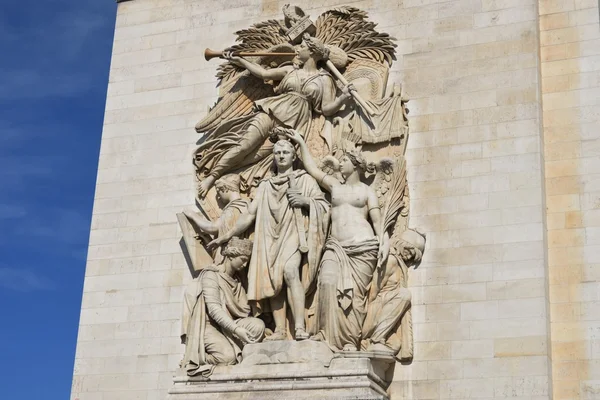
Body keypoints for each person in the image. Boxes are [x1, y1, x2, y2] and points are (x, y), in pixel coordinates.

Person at [195, 35, 354, 197]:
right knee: (244, 145)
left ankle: (229, 175)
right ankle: (212, 177)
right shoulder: (290, 70)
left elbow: (326, 108)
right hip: (272, 111)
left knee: (255, 156)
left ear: (312, 52)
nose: (297, 49)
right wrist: (240, 61)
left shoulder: (324, 79)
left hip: (292, 125)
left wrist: (343, 98)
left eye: (302, 47)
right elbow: (264, 74)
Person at [208, 139, 330, 341]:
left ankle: (299, 326)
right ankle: (281, 329)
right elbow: (249, 214)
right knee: (272, 281)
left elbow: (324, 206)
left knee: (290, 271)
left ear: (293, 156)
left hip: (293, 233)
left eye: (285, 152)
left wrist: (304, 201)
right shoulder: (265, 185)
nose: (281, 156)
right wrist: (226, 236)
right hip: (269, 236)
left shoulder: (304, 180)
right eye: (277, 152)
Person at [285, 128, 390, 351]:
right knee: (327, 282)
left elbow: (377, 221)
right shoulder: (334, 187)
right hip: (335, 247)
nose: (340, 164)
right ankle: (326, 337)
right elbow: (312, 169)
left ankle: (349, 341)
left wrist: (384, 241)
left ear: (355, 164)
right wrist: (301, 142)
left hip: (363, 248)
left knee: (354, 296)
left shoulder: (367, 191)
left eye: (344, 160)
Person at [180, 237, 264, 377]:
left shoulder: (238, 281)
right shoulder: (211, 275)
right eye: (243, 259)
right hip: (208, 326)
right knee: (227, 357)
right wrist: (237, 330)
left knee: (258, 326)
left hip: (228, 325)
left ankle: (238, 347)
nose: (245, 264)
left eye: (247, 261)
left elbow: (243, 311)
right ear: (231, 256)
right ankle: (196, 357)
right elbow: (214, 310)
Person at [361, 229, 425, 359]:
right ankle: (375, 338)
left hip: (385, 307)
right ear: (402, 245)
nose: (409, 257)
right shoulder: (391, 260)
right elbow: (374, 290)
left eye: (413, 256)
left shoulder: (399, 263)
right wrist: (364, 314)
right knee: (404, 294)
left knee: (395, 345)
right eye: (410, 252)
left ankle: (367, 343)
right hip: (374, 308)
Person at [183, 174, 250, 264]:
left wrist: (193, 216)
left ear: (225, 189)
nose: (218, 197)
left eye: (218, 192)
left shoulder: (233, 208)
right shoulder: (245, 205)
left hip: (230, 259)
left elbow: (213, 228)